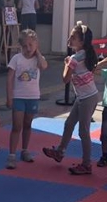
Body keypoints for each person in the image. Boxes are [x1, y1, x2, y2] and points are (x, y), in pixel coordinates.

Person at [42, 22, 100, 175]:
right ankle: (60, 152)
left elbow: (65, 79)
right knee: (69, 124)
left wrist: (66, 64)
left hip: (86, 98)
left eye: (73, 37)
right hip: (87, 96)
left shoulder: (75, 58)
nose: (69, 39)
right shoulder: (87, 54)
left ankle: (86, 164)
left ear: (81, 41)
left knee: (83, 131)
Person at [6, 29, 47, 169]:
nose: (28, 48)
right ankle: (12, 154)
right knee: (17, 126)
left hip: (33, 96)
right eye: (25, 46)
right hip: (19, 96)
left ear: (36, 44)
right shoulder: (16, 59)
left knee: (28, 124)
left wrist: (38, 53)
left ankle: (25, 150)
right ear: (21, 46)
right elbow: (10, 78)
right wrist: (9, 97)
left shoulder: (38, 59)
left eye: (31, 45)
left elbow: (44, 66)